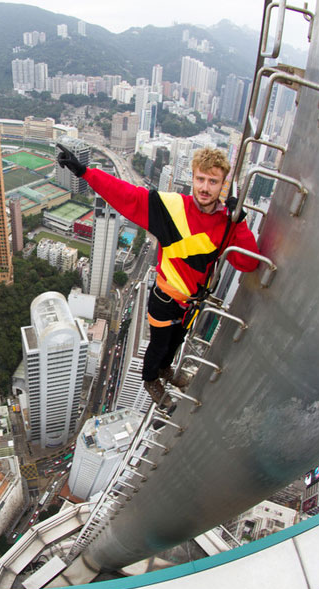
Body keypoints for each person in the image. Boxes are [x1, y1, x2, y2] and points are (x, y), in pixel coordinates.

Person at [57, 144, 259, 410]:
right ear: (193, 177)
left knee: (176, 342)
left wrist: (240, 222)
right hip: (165, 298)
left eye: (213, 181)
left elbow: (247, 263)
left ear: (223, 185)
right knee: (159, 345)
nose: (205, 188)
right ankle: (151, 379)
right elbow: (126, 196)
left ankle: (166, 370)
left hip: (191, 304)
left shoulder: (226, 223)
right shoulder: (172, 208)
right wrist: (84, 172)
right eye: (200, 179)